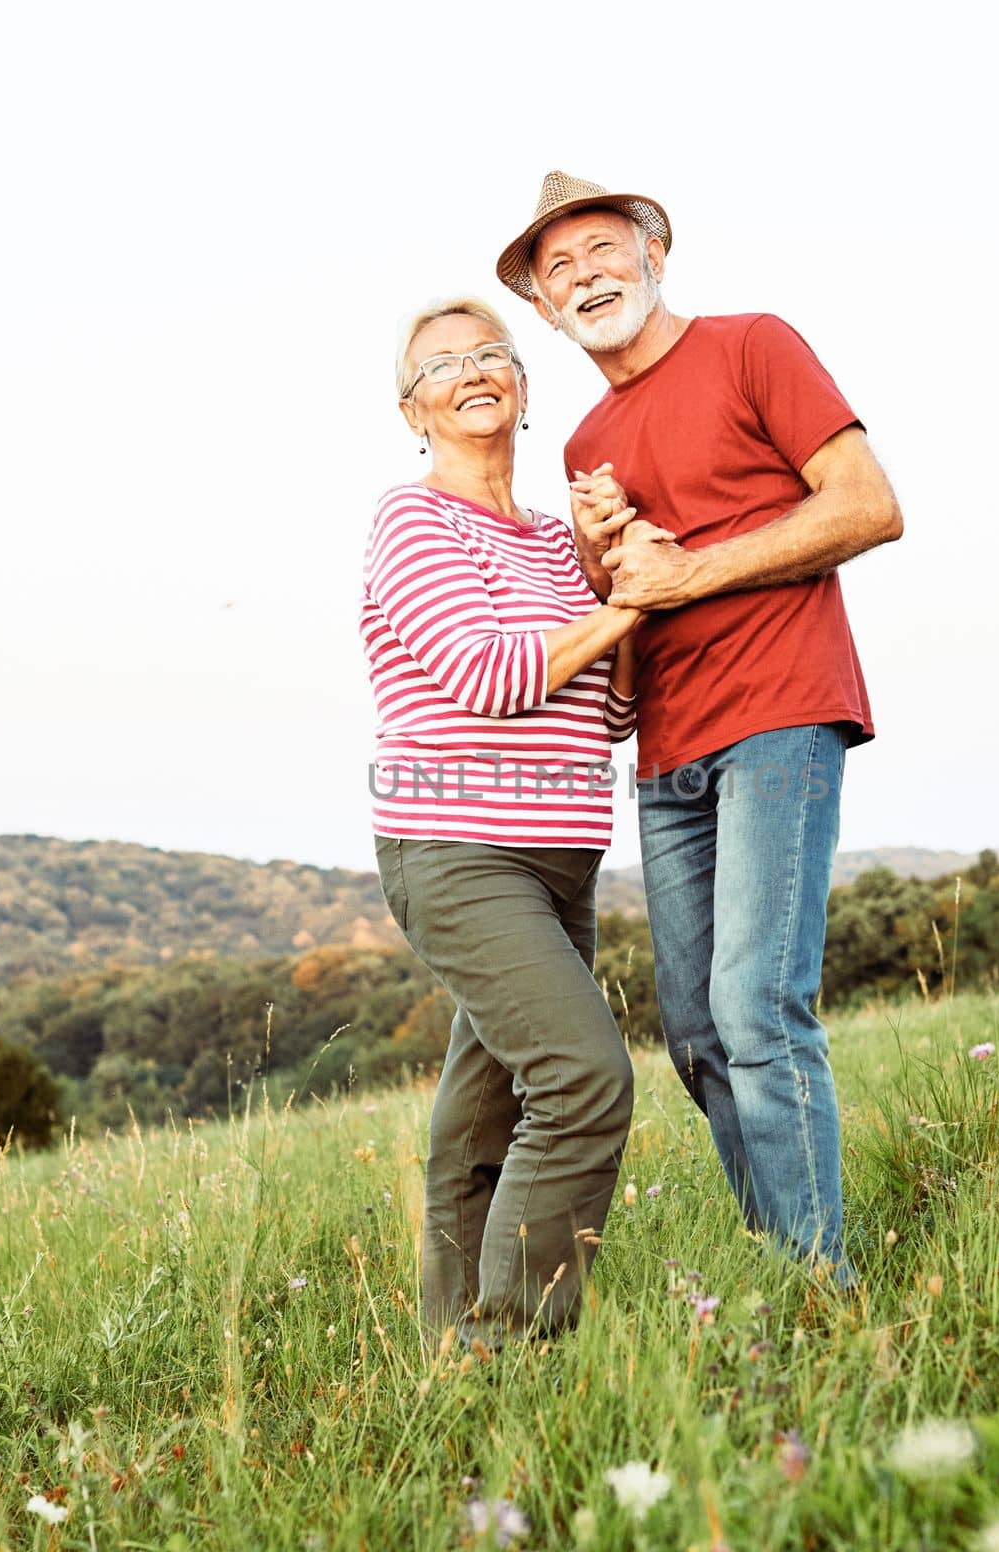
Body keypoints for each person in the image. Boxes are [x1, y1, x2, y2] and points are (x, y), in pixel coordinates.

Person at [495, 172, 905, 1286]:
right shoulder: (586, 439)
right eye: (558, 269)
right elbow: (630, 611)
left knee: (755, 1003)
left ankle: (828, 1285)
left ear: (653, 254)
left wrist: (692, 571)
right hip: (668, 749)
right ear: (541, 306)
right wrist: (597, 552)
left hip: (780, 710)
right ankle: (786, 1265)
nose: (585, 278)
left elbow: (869, 504)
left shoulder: (751, 344)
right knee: (695, 1034)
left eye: (601, 252)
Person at [361, 295, 656, 1345]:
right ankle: (511, 1350)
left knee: (480, 1114)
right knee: (582, 1077)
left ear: (525, 391)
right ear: (413, 409)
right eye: (443, 363)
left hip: (562, 861)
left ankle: (448, 1349)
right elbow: (486, 676)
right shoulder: (413, 520)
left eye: (494, 353)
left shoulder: (548, 544)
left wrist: (607, 572)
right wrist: (625, 606)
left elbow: (610, 711)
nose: (474, 369)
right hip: (459, 852)